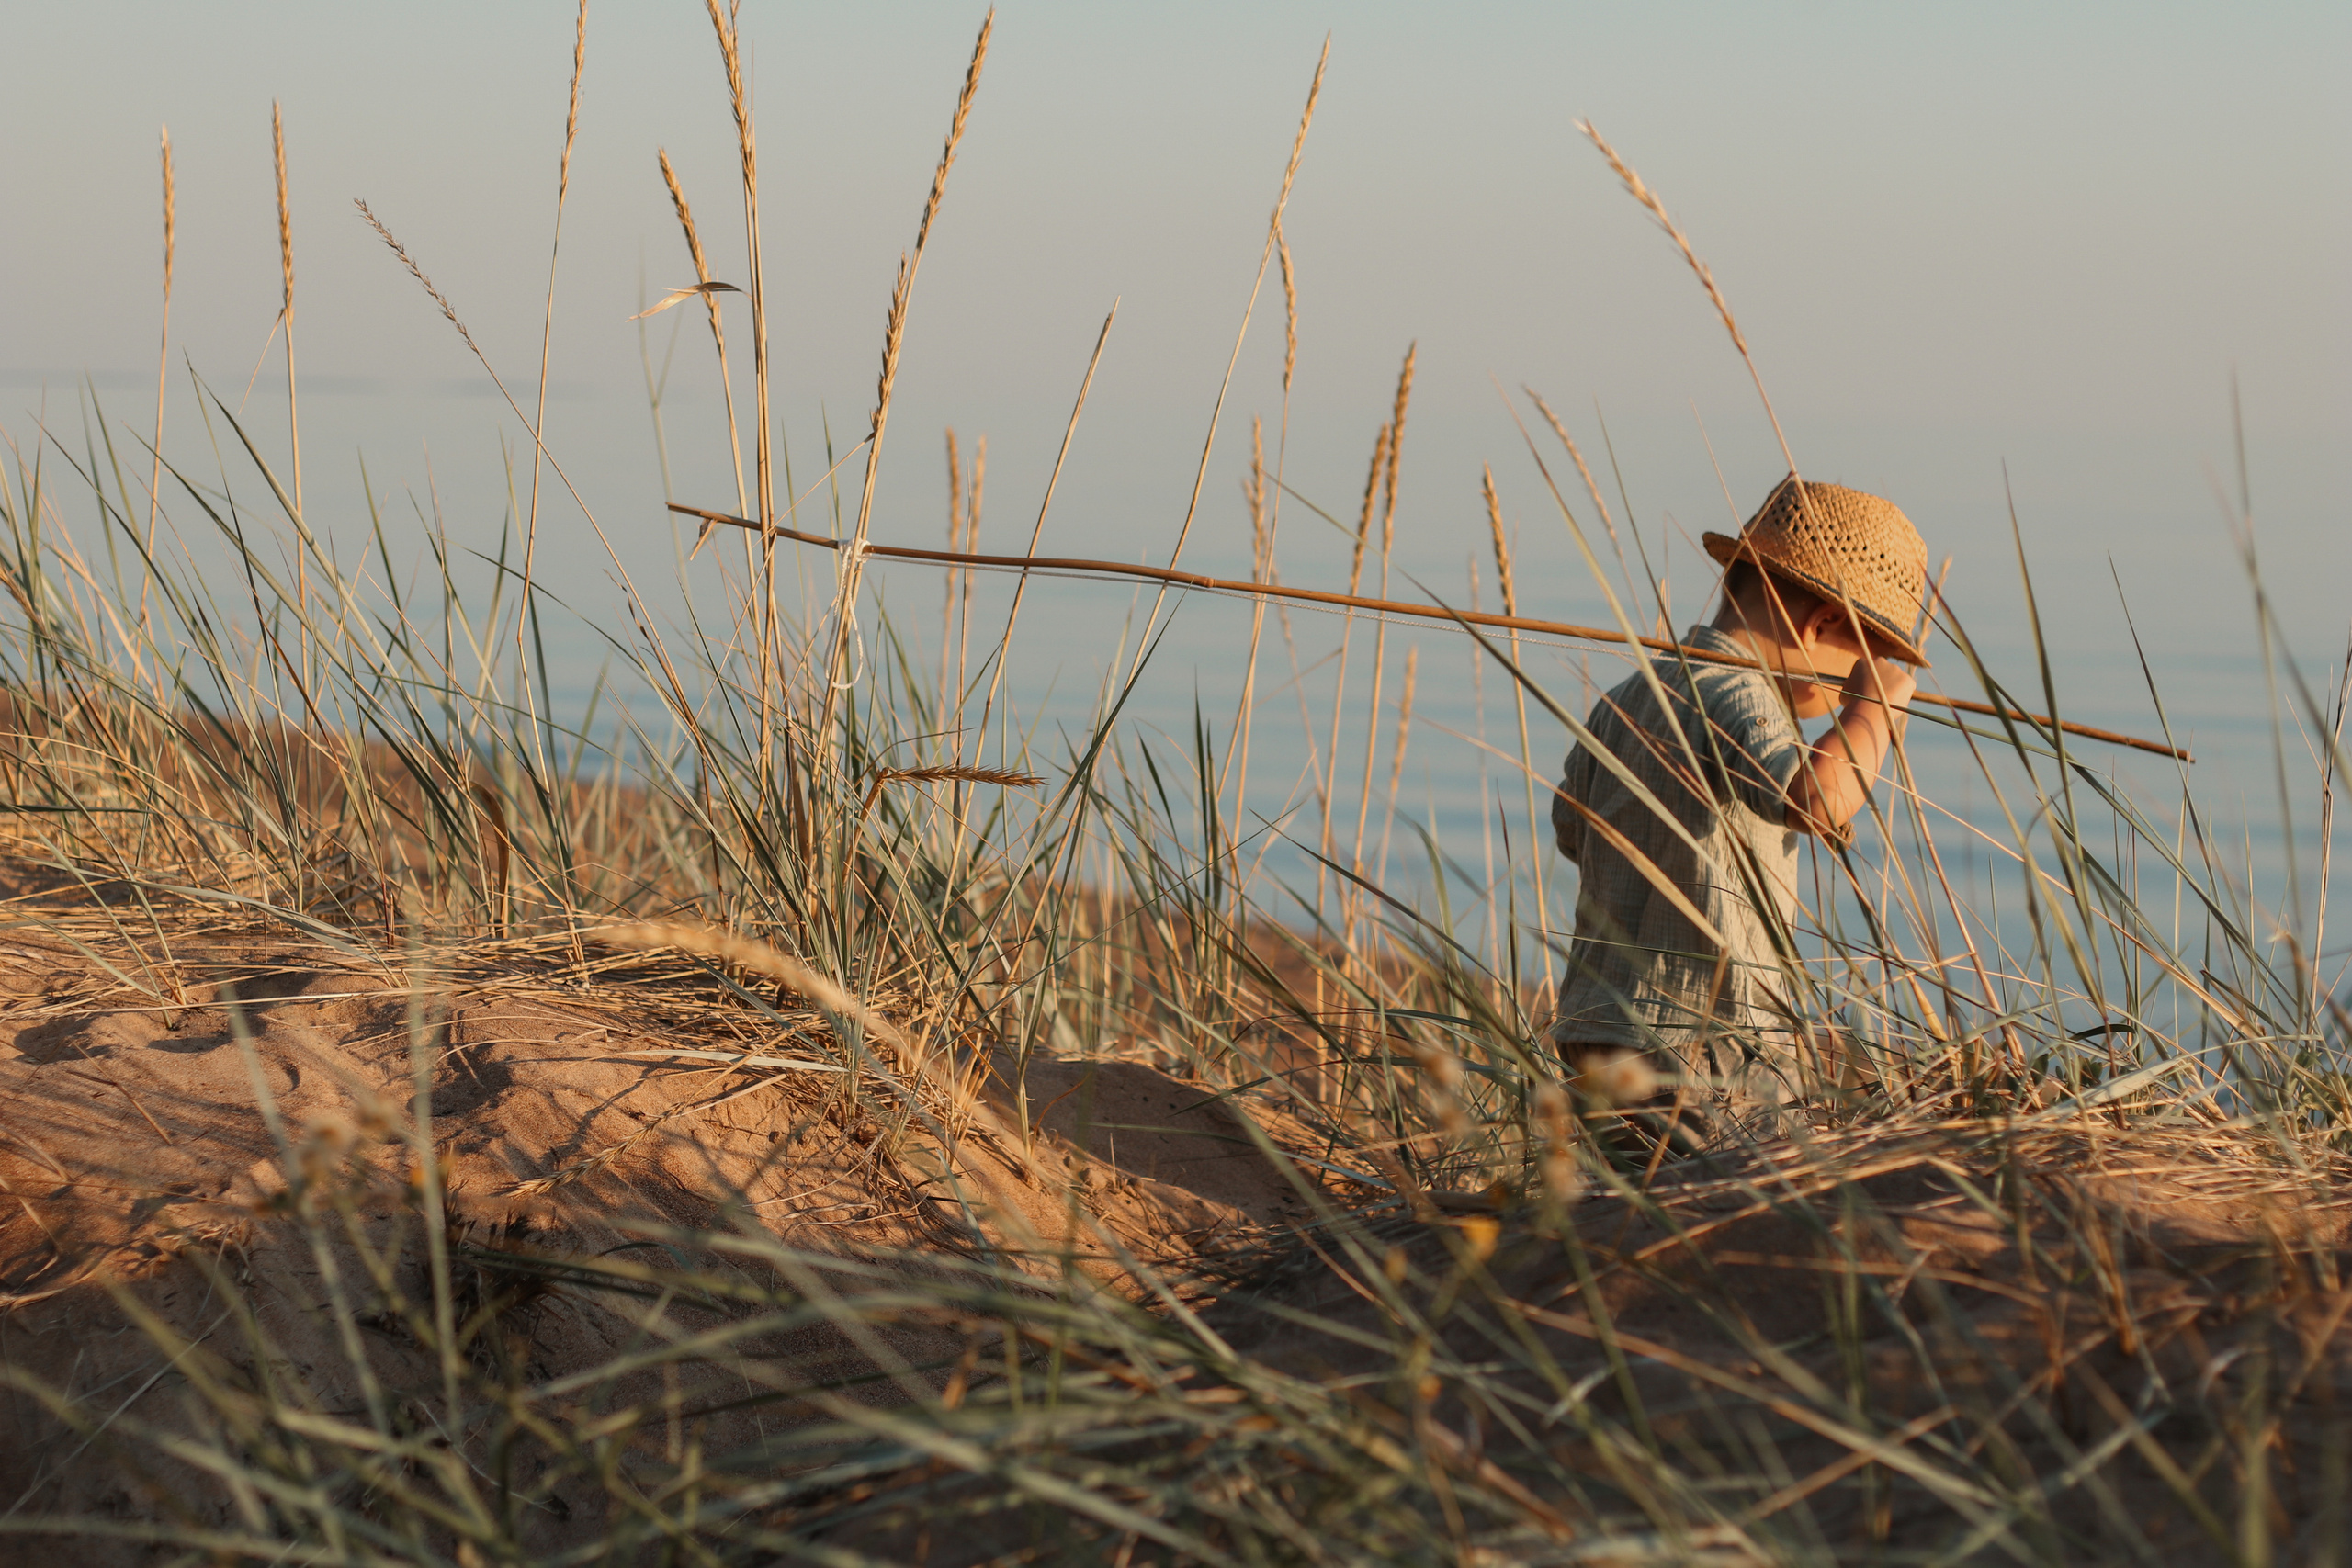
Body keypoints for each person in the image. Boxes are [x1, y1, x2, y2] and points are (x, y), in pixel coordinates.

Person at [1547, 476, 1927, 1147]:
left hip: (1596, 1031)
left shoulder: (1623, 699)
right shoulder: (1741, 697)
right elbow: (1818, 800)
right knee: (1718, 1215)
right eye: (1860, 663)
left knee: (1628, 1216)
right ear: (1824, 623)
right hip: (1705, 1047)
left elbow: (1571, 829)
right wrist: (1874, 714)